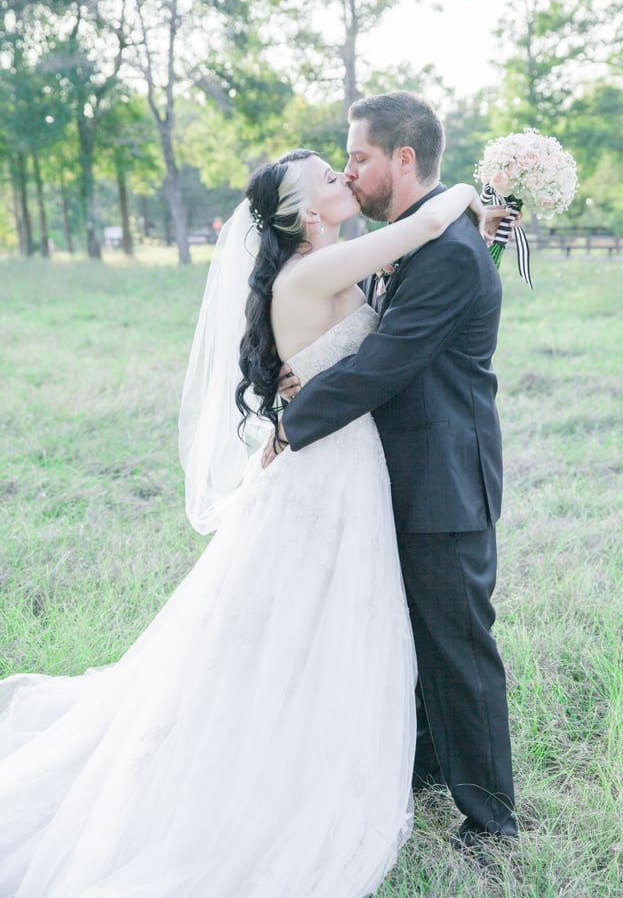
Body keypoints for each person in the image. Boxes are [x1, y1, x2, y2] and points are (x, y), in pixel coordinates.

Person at [0, 146, 494, 896]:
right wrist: (474, 181)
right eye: (326, 179)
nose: (342, 179)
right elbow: (426, 223)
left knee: (322, 619)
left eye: (340, 168)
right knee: (300, 622)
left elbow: (400, 298)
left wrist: (483, 228)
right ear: (299, 216)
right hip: (326, 467)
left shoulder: (330, 263)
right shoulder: (315, 269)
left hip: (342, 460)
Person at [267, 92, 518, 850]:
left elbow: (384, 363)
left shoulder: (444, 250)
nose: (350, 171)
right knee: (412, 637)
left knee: (456, 647)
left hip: (442, 479)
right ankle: (425, 766)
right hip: (399, 473)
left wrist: (293, 423)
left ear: (402, 158)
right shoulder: (423, 236)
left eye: (359, 158)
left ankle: (491, 818)